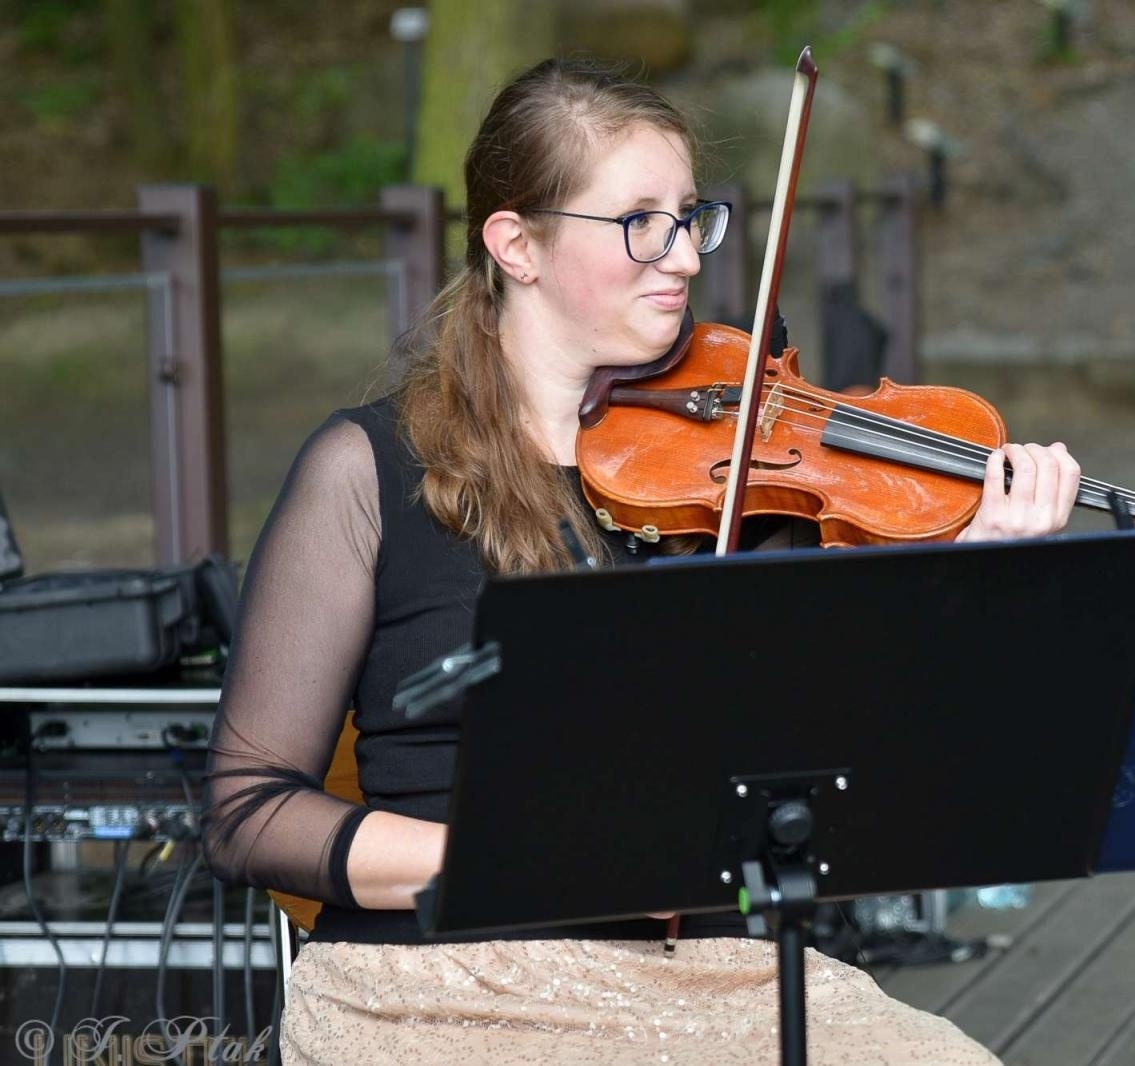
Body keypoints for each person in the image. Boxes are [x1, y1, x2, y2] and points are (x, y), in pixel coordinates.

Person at [203, 57, 1080, 1065]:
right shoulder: (367, 470)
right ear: (516, 243)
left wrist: (966, 579)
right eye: (639, 223)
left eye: (688, 217)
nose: (682, 257)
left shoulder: (737, 484)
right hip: (444, 977)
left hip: (696, 972)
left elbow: (837, 764)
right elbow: (247, 810)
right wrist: (502, 862)